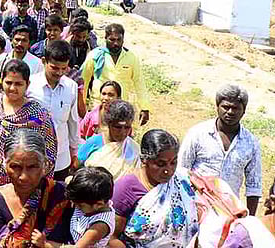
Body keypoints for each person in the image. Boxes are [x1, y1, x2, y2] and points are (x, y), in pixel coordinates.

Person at [0, 59, 57, 189]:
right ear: (1, 81)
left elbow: (49, 155)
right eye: (8, 83)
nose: (13, 88)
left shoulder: (39, 115)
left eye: (18, 84)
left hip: (22, 189)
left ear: (27, 84)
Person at [178, 84, 262, 215]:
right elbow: (181, 170)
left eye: (235, 108)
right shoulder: (198, 133)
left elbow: (254, 186)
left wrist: (250, 221)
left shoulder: (251, 143)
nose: (230, 112)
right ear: (217, 107)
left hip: (229, 212)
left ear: (244, 111)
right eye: (226, 107)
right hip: (195, 206)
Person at [0, 129, 74, 248]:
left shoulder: (62, 195)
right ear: (5, 165)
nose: (23, 177)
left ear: (45, 165)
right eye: (15, 167)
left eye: (32, 167)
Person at [111, 129, 198, 248]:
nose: (168, 170)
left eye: (173, 162)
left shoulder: (181, 179)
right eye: (160, 164)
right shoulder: (125, 189)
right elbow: (111, 238)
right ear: (144, 160)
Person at [28, 40, 82, 181]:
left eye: (64, 69)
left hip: (61, 156)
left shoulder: (71, 87)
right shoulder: (29, 86)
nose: (59, 73)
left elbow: (73, 121)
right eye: (55, 68)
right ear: (44, 61)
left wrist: (74, 151)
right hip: (32, 154)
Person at [82, 23, 150, 126]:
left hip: (121, 107)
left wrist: (144, 107)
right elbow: (84, 81)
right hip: (99, 106)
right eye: (112, 40)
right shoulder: (95, 55)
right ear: (105, 38)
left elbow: (139, 82)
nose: (116, 43)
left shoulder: (131, 57)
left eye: (119, 40)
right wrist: (81, 106)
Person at [32, 167, 115, 248]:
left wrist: (45, 244)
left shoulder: (100, 226)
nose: (74, 205)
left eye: (80, 205)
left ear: (99, 204)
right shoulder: (89, 200)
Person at [78, 99, 140, 180]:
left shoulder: (134, 148)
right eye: (118, 127)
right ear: (109, 124)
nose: (123, 132)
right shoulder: (94, 143)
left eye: (127, 127)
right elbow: (77, 167)